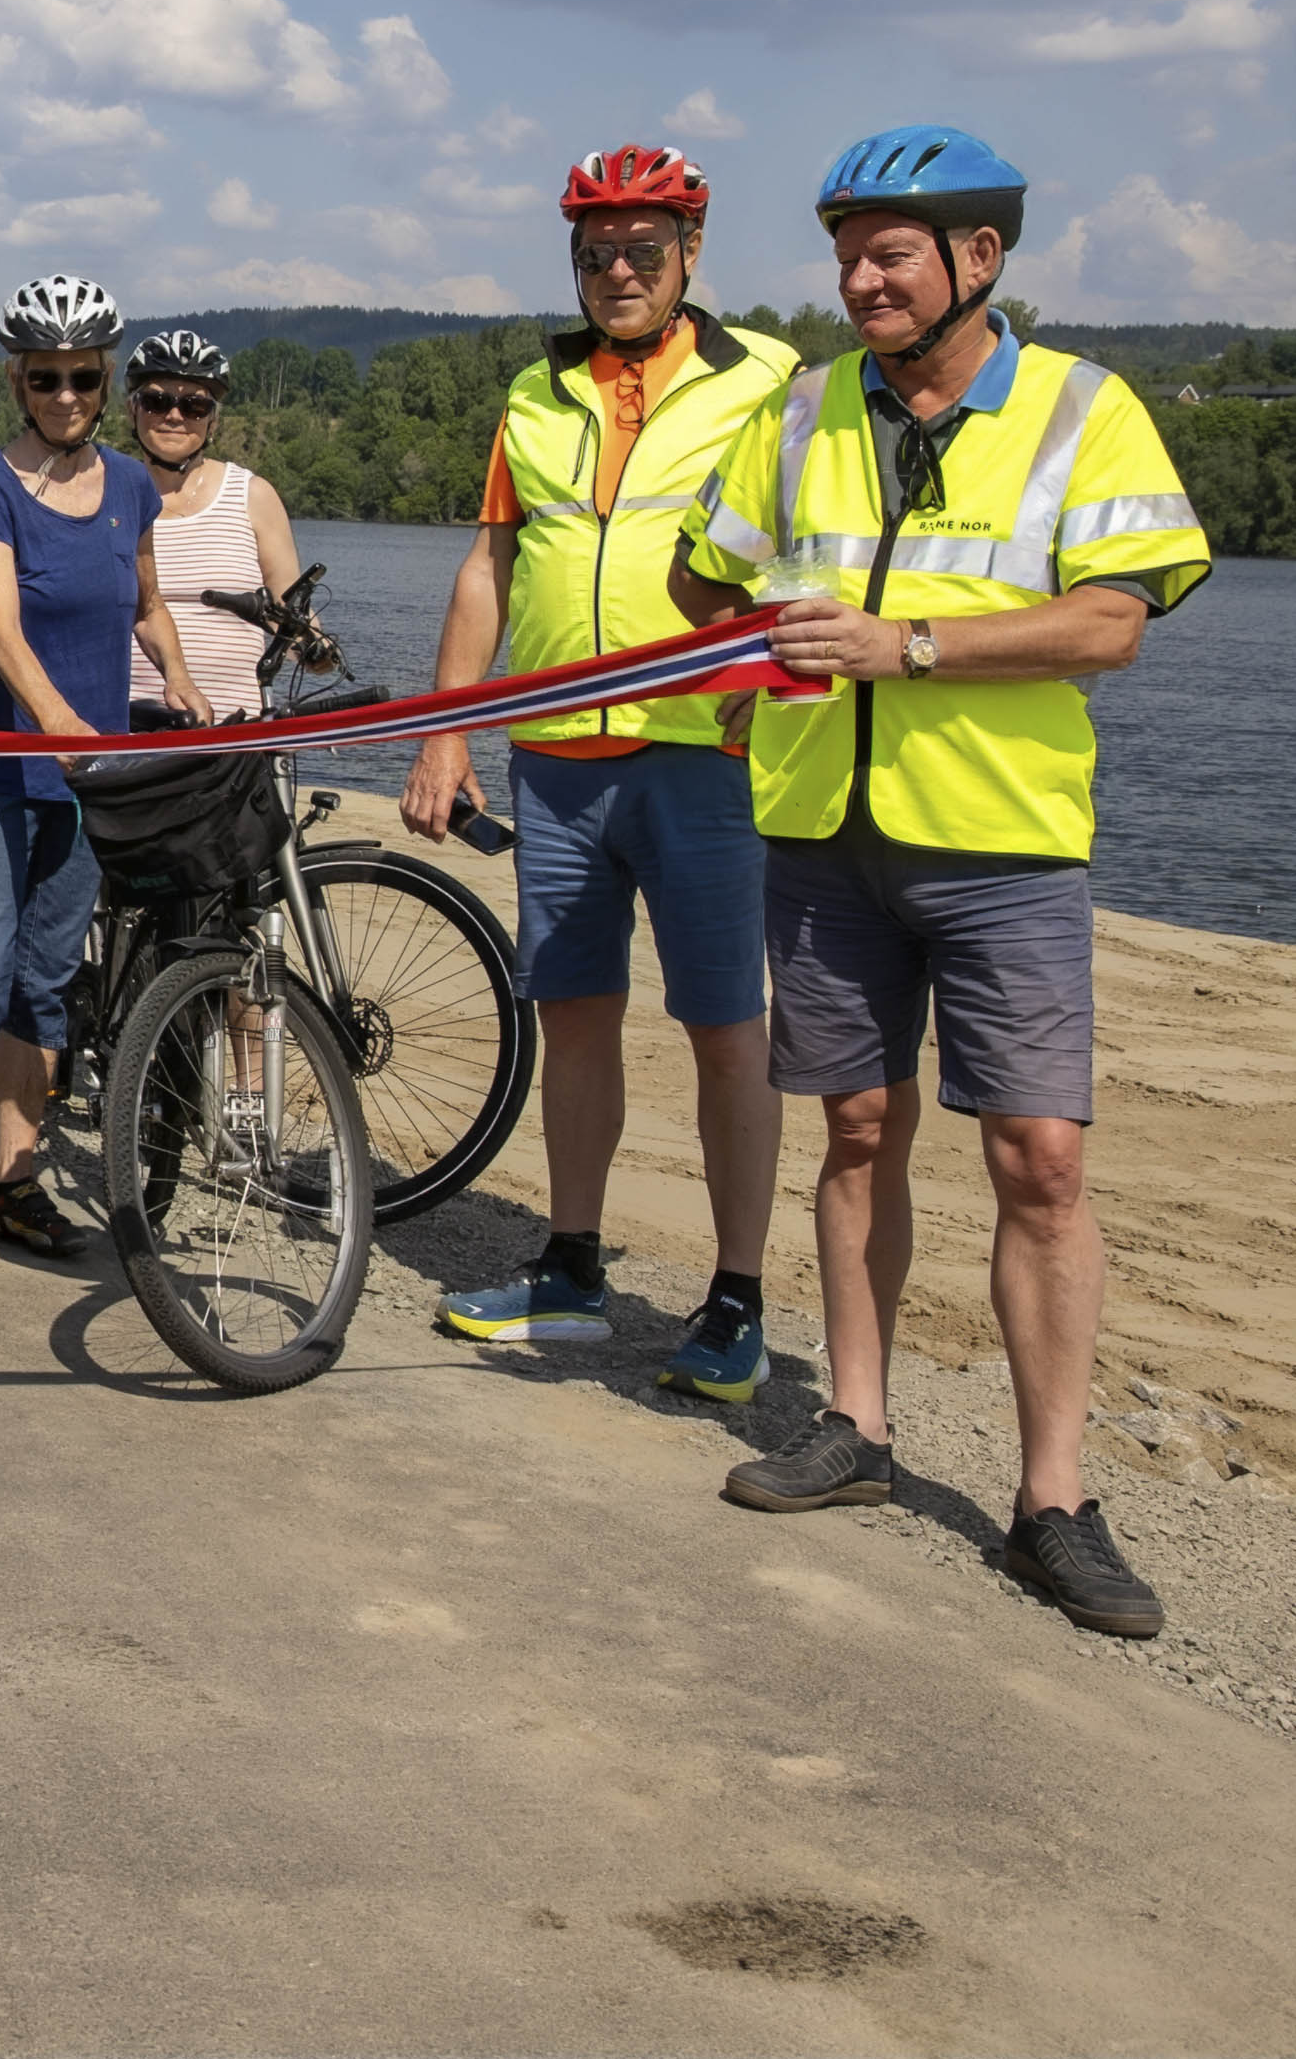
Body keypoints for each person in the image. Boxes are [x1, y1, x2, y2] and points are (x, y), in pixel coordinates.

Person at [675, 126, 1209, 1638]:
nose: (860, 277)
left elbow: (1113, 623)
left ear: (981, 258)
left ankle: (1054, 1498)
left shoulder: (1082, 410)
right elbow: (714, 574)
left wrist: (902, 646)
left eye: (892, 251)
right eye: (848, 250)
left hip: (1003, 839)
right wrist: (740, 649)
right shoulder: (799, 410)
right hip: (821, 827)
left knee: (1040, 1158)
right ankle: (857, 1422)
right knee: (855, 1126)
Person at [399, 146, 798, 1400]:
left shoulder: (772, 385)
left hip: (704, 758)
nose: (615, 270)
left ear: (690, 251)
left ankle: (735, 1298)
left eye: (640, 248)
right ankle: (571, 1267)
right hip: (558, 758)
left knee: (724, 1028)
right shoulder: (533, 390)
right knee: (570, 1017)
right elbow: (489, 567)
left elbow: (811, 554)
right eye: (593, 252)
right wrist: (446, 727)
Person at [0, 276, 210, 1289]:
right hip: (1, 764)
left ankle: (15, 1180)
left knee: (45, 980)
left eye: (83, 376)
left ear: (104, 377)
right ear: (17, 379)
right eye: (46, 377)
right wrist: (60, 724)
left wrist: (174, 672)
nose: (65, 394)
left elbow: (146, 601)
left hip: (86, 777)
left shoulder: (128, 486)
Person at [116, 330, 303, 714]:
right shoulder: (107, 494)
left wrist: (315, 646)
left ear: (213, 422)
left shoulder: (252, 495)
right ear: (132, 410)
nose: (174, 415)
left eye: (194, 407)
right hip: (127, 724)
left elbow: (288, 603)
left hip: (236, 732)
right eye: (156, 401)